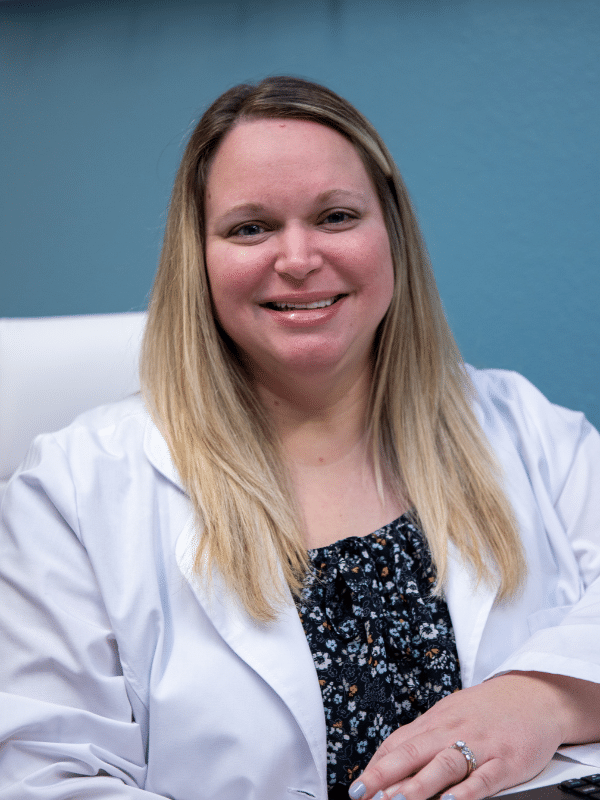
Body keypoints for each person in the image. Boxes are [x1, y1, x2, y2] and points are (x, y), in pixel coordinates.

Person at [1, 76, 600, 800]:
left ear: (393, 236)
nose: (297, 257)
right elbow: (40, 775)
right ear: (199, 259)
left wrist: (544, 699)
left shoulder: (525, 428)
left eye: (337, 216)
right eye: (250, 227)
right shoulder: (70, 491)